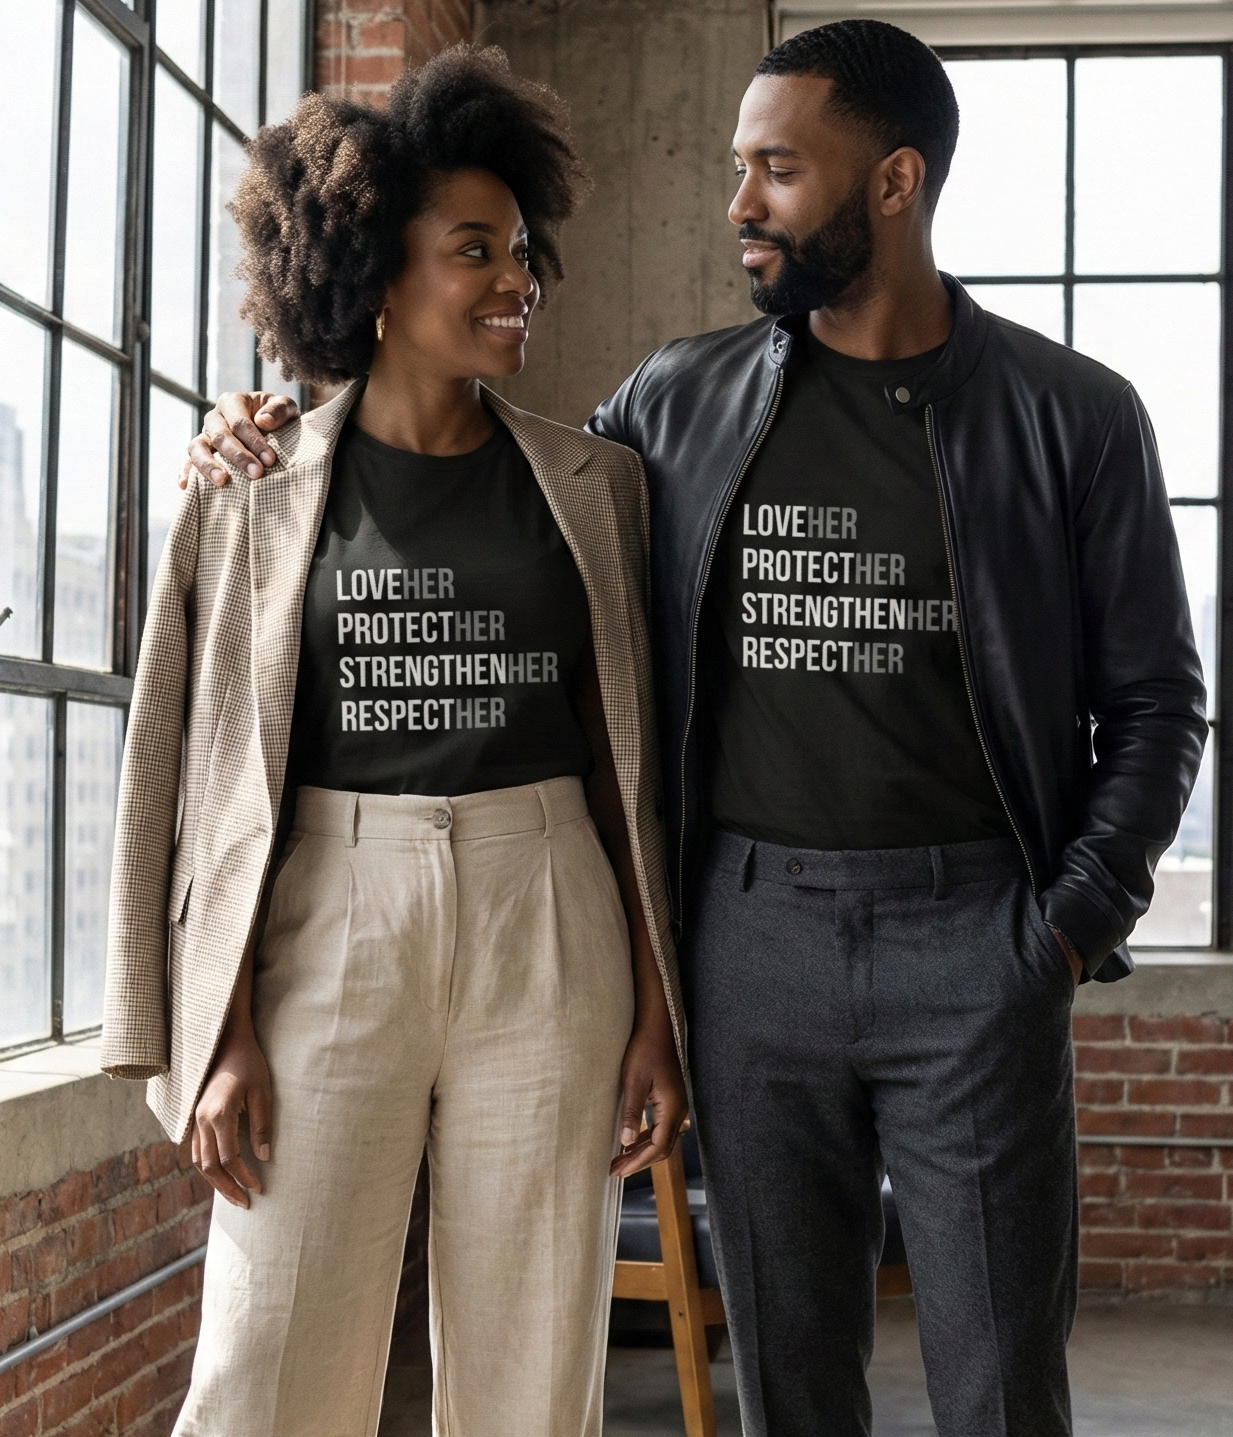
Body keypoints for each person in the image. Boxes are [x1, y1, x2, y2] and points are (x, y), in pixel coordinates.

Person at [187, 20, 1207, 1437]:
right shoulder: (678, 403)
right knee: (793, 1380)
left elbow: (1161, 702)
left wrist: (1068, 927)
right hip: (750, 938)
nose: (740, 204)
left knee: (999, 1386)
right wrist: (279, 424)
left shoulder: (1072, 417)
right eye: (735, 167)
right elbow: (479, 472)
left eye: (779, 171)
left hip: (975, 936)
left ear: (896, 182)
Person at [103, 47, 687, 1437]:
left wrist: (656, 1015)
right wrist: (216, 1024)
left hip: (547, 910)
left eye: (522, 251)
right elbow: (173, 778)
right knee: (267, 1359)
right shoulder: (245, 487)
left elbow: (631, 766)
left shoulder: (596, 486)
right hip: (325, 914)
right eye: (472, 251)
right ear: (371, 277)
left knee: (537, 1361)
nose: (516, 281)